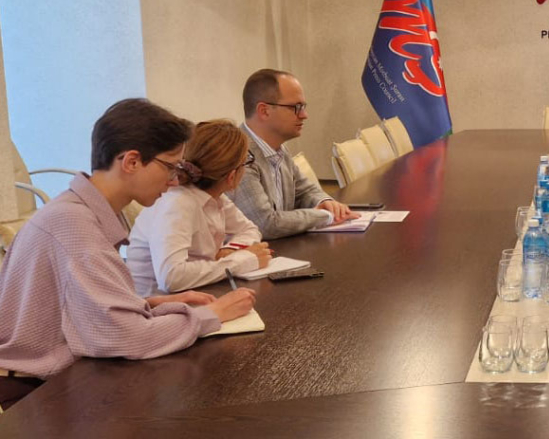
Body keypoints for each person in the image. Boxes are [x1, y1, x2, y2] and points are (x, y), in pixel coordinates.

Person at [0, 99, 256, 410]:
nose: (175, 180)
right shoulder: (74, 224)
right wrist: (213, 314)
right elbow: (126, 338)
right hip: (29, 393)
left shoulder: (79, 211)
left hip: (51, 377)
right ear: (132, 161)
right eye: (170, 167)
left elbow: (79, 308)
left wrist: (149, 304)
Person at [127, 120, 273, 296]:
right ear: (232, 176)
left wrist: (229, 251)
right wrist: (242, 260)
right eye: (246, 162)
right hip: (155, 306)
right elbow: (171, 278)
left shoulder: (214, 197)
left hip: (194, 294)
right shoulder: (178, 203)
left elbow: (249, 229)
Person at [229, 69, 355, 239]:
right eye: (295, 107)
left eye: (303, 107)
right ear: (264, 111)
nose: (304, 115)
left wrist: (325, 202)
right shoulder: (238, 155)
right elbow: (264, 224)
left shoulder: (278, 148)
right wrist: (325, 216)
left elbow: (305, 191)